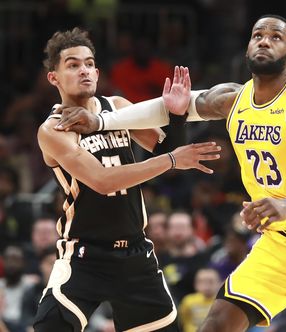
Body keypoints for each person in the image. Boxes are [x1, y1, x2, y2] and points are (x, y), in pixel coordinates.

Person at [54, 15, 286, 332]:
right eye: (257, 35)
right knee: (216, 324)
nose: (263, 41)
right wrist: (101, 121)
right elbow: (171, 104)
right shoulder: (232, 98)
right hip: (280, 244)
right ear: (247, 47)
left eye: (275, 37)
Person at [34, 27, 221, 332]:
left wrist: (176, 116)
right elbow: (103, 180)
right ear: (53, 77)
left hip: (135, 253)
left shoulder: (117, 107)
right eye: (73, 64)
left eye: (89, 63)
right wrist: (172, 159)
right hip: (84, 255)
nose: (84, 70)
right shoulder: (53, 130)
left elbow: (165, 150)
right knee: (49, 326)